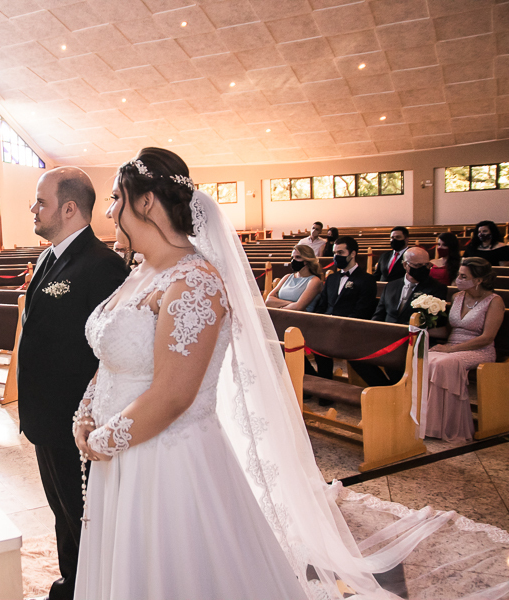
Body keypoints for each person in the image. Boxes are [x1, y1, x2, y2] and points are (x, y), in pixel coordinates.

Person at [69, 148, 504, 600]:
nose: (110, 210)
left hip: (163, 458)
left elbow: (174, 395)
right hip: (118, 446)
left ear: (144, 202)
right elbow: (112, 358)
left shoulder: (193, 280)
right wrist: (85, 412)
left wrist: (102, 441)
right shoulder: (139, 272)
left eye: (116, 197)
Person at [16, 166, 127, 600]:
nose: (33, 208)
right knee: (61, 509)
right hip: (46, 415)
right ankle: (72, 581)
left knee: (83, 513)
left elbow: (108, 349)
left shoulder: (102, 266)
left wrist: (89, 417)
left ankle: (93, 586)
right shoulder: (49, 255)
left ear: (68, 208)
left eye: (40, 201)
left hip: (75, 417)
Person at [425, 257, 505, 441]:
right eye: (458, 275)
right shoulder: (457, 296)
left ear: (478, 280)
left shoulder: (494, 301)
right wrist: (423, 329)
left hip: (480, 349)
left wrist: (451, 350)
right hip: (452, 346)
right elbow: (449, 329)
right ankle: (427, 419)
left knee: (444, 362)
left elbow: (487, 337)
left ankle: (447, 424)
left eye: (463, 276)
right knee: (426, 357)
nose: (457, 280)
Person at [355, 246, 449, 387]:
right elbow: (379, 315)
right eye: (417, 265)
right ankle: (385, 389)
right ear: (405, 265)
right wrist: (373, 333)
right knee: (356, 354)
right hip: (387, 336)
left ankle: (396, 393)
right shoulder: (391, 286)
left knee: (395, 360)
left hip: (413, 340)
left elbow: (436, 323)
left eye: (426, 265)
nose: (423, 269)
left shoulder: (436, 288)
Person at [312, 236, 378, 381]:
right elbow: (322, 305)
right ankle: (324, 387)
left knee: (354, 356)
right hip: (327, 327)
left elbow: (362, 310)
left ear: (352, 254)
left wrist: (341, 326)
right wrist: (318, 321)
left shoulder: (366, 280)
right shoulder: (332, 278)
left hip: (350, 329)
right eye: (335, 253)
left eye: (340, 253)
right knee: (314, 343)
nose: (336, 256)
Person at [265, 244, 324, 311]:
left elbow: (298, 307)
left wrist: (279, 306)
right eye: (292, 257)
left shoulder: (314, 281)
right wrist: (291, 303)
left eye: (298, 257)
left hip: (301, 318)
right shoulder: (287, 277)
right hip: (281, 315)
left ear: (306, 261)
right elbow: (268, 301)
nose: (293, 260)